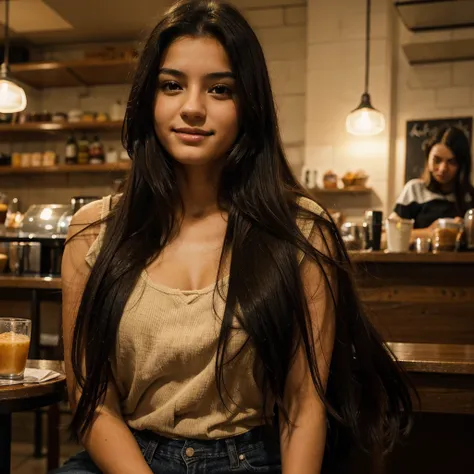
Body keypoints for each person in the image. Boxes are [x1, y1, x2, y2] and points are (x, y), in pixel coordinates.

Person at [54, 1, 412, 473]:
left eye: (220, 89)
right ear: (148, 99)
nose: (193, 108)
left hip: (250, 459)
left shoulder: (301, 230)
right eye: (172, 85)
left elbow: (304, 409)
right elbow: (91, 402)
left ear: (250, 105)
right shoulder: (94, 231)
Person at [393, 125, 474, 240]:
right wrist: (431, 232)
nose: (442, 169)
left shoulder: (470, 196)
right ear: (428, 158)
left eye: (451, 162)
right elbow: (388, 237)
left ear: (462, 165)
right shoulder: (414, 190)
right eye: (437, 160)